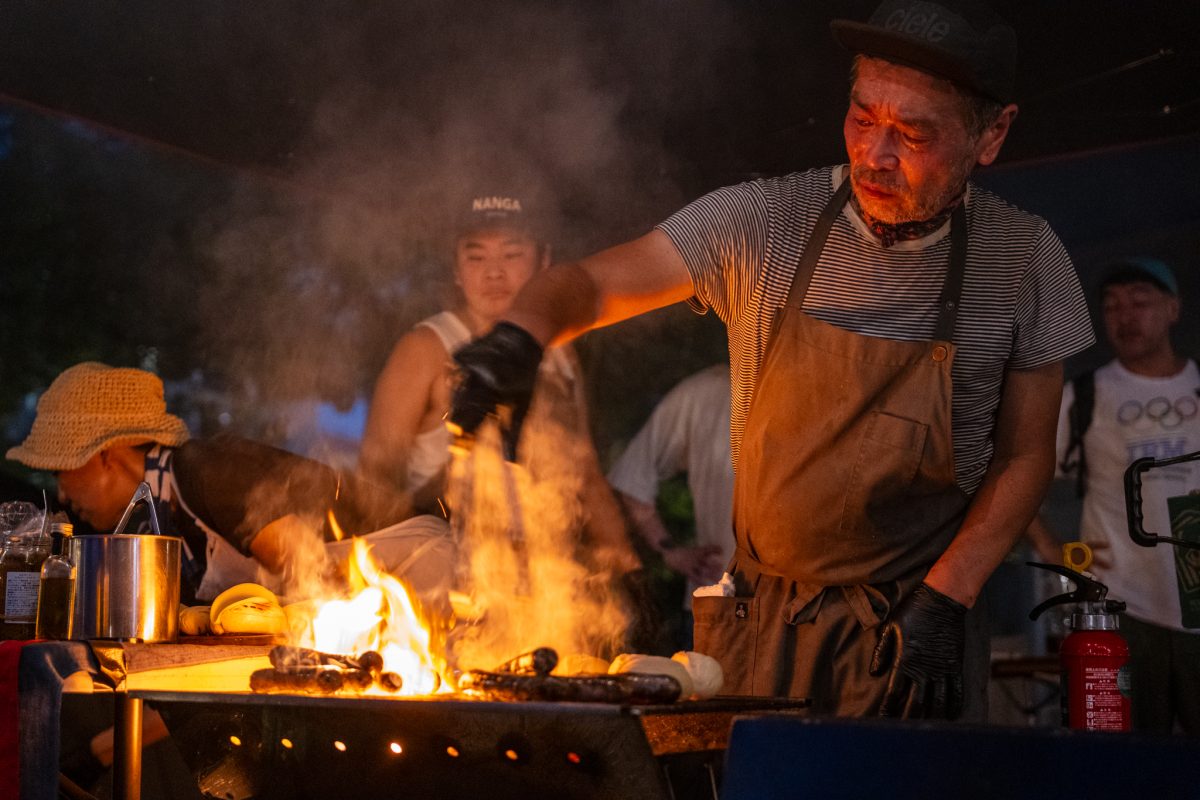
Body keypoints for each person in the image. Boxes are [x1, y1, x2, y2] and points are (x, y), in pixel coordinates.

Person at [447, 0, 1095, 721]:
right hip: (761, 626)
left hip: (916, 629)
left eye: (913, 134)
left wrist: (951, 594)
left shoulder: (1026, 259)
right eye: (862, 116)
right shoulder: (763, 224)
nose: (875, 155)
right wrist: (522, 335)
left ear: (992, 133)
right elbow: (592, 283)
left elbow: (1026, 456)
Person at [6, 362, 454, 607]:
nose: (61, 494)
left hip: (421, 582)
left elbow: (319, 582)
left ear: (105, 455)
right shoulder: (162, 520)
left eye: (60, 471)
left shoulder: (209, 470)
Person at [359, 192, 638, 577]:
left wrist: (628, 570)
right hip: (443, 568)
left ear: (544, 262)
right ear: (457, 270)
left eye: (511, 254)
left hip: (544, 571)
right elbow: (376, 471)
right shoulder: (426, 347)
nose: (494, 272)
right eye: (476, 257)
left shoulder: (561, 354)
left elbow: (586, 472)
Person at [1026, 257, 1200, 734]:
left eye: (1140, 302)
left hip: (1197, 603)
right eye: (1112, 306)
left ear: (1173, 308)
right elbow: (1020, 473)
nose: (1126, 316)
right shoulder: (1084, 396)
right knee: (1129, 755)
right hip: (1120, 611)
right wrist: (1052, 550)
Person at [607, 364, 734, 647]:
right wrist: (669, 550)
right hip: (719, 608)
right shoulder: (706, 391)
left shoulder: (816, 389)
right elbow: (632, 477)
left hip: (804, 610)